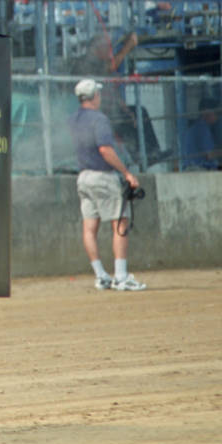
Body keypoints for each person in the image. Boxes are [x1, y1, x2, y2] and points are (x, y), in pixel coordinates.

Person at [71, 78, 147, 292]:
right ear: (95, 96)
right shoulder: (99, 119)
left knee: (89, 227)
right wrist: (126, 173)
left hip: (83, 177)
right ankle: (121, 276)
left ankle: (101, 276)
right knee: (120, 222)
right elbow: (105, 150)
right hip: (102, 176)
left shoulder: (73, 120)